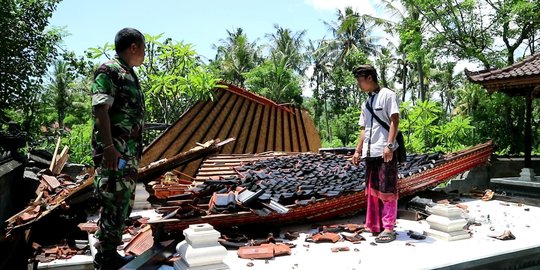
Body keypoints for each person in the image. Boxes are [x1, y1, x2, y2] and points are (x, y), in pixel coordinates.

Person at [91, 27, 146, 269]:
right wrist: (109, 147)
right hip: (114, 154)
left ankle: (111, 254)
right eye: (143, 49)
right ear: (133, 47)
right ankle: (105, 259)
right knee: (112, 202)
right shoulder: (109, 71)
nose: (144, 54)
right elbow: (100, 110)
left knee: (122, 203)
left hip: (127, 154)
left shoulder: (128, 73)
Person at [351, 64, 400, 244]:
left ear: (369, 78)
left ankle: (388, 227)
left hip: (384, 150)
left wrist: (389, 145)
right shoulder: (367, 102)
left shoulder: (388, 95)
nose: (359, 85)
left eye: (360, 81)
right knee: (373, 190)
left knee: (388, 189)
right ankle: (375, 224)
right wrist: (357, 150)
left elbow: (395, 120)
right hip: (369, 152)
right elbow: (365, 129)